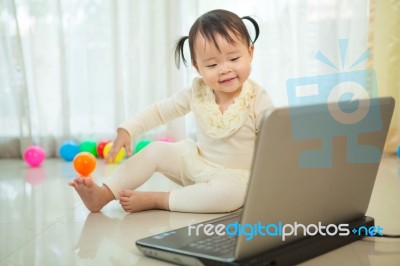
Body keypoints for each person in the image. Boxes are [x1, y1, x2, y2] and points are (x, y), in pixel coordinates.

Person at [69, 9, 274, 213]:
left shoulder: (257, 98)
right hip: (198, 165)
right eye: (212, 64)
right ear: (197, 67)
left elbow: (277, 140)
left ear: (250, 53)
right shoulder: (197, 92)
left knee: (229, 193)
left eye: (234, 59)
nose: (224, 69)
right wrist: (128, 129)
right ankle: (102, 195)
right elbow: (159, 112)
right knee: (156, 150)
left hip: (236, 178)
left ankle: (159, 199)